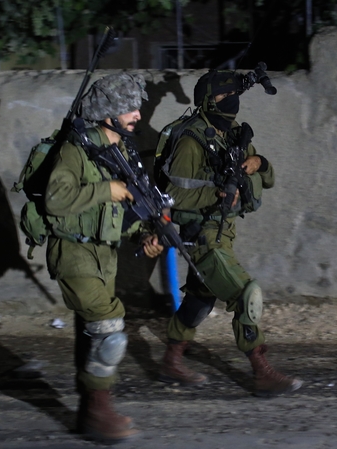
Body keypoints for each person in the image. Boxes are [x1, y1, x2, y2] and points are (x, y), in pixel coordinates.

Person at [157, 69, 302, 397]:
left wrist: (259, 162)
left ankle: (171, 361)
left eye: (232, 95)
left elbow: (269, 178)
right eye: (223, 97)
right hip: (201, 233)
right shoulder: (193, 139)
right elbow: (171, 194)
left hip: (224, 232)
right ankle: (261, 371)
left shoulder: (233, 133)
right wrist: (216, 195)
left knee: (199, 298)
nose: (231, 101)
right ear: (208, 101)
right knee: (245, 293)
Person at [44, 73, 164, 443]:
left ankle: (88, 409)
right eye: (130, 108)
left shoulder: (119, 152)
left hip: (103, 254)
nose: (138, 115)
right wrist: (106, 189)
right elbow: (55, 199)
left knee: (91, 331)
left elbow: (120, 211)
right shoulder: (75, 150)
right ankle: (98, 410)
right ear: (108, 112)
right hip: (74, 252)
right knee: (109, 327)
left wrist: (144, 237)